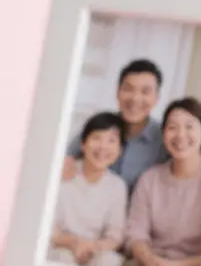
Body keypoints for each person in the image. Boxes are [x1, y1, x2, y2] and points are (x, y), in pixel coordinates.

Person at [123, 97, 201, 266]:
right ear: (164, 134)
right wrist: (152, 262)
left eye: (189, 127)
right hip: (151, 263)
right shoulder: (150, 178)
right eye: (172, 127)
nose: (181, 135)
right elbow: (135, 232)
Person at [63, 59, 167, 193]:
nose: (135, 98)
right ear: (118, 92)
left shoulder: (164, 139)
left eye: (145, 92)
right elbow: (65, 160)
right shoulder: (99, 126)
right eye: (128, 89)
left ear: (156, 98)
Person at [49, 112, 127, 266]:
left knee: (110, 261)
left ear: (120, 151)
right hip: (61, 245)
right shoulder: (64, 173)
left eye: (111, 141)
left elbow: (115, 236)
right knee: (63, 260)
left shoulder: (117, 186)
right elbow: (49, 226)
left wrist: (92, 247)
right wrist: (73, 243)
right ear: (83, 144)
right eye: (96, 138)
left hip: (95, 250)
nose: (103, 147)